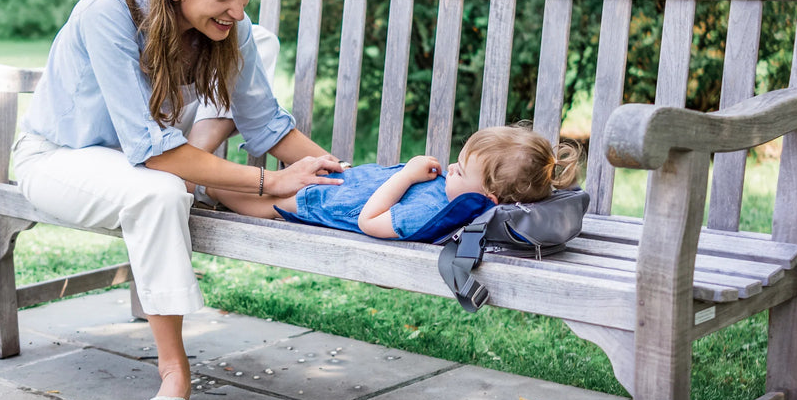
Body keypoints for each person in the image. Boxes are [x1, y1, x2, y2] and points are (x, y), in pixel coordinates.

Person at [12, 0, 344, 400]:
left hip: (153, 151)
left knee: (254, 43)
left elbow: (268, 126)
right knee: (162, 191)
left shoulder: (225, 26)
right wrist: (269, 182)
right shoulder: (109, 12)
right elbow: (151, 152)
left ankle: (202, 169)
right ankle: (173, 371)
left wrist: (343, 178)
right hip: (63, 156)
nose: (237, 9)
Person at [203, 125, 582, 241]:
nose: (451, 167)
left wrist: (405, 175)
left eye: (461, 171)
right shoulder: (455, 196)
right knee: (271, 192)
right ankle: (209, 181)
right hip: (343, 182)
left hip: (324, 203)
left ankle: (210, 188)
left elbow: (371, 222)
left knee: (270, 206)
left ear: (489, 198)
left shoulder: (429, 213)